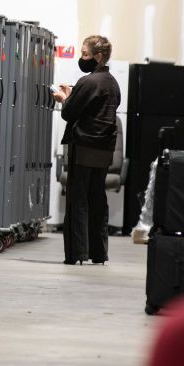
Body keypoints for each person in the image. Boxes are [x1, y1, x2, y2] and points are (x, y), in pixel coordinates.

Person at [52, 35, 121, 265]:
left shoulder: (87, 82)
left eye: (85, 54)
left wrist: (64, 98)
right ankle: (99, 253)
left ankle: (77, 253)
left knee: (78, 200)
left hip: (83, 148)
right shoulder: (112, 83)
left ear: (98, 56)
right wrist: (73, 98)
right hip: (103, 151)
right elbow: (95, 109)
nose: (82, 58)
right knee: (97, 199)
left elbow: (69, 113)